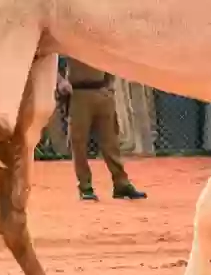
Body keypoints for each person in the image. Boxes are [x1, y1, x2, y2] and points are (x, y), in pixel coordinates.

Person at [58, 56, 147, 201]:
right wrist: (61, 81)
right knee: (79, 143)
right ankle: (85, 186)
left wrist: (109, 86)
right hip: (78, 92)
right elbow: (51, 60)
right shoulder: (71, 41)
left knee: (111, 141)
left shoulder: (98, 43)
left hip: (102, 91)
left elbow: (110, 62)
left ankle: (121, 184)